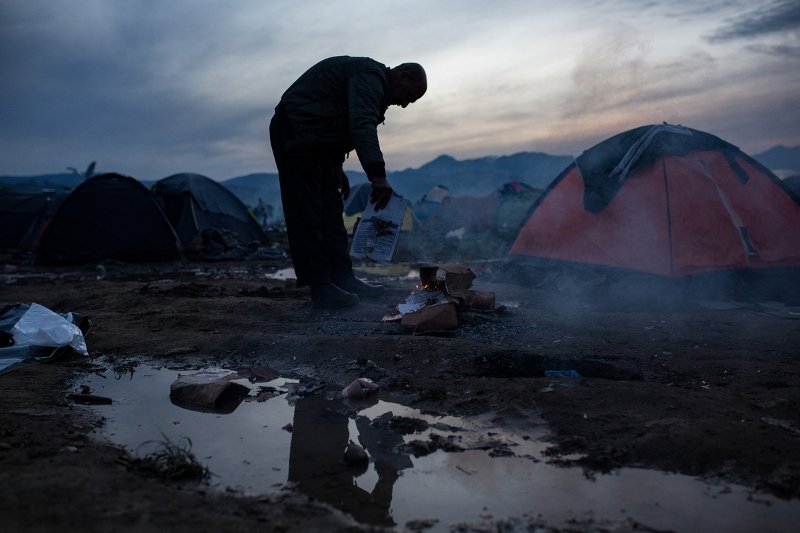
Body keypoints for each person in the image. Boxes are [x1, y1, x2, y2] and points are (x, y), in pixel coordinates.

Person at [269, 56, 427, 309]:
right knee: (308, 214)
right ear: (402, 76)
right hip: (295, 135)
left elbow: (334, 121)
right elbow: (361, 124)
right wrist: (377, 176)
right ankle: (321, 287)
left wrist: (336, 166)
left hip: (318, 144)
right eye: (410, 95)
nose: (406, 104)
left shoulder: (375, 85)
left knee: (331, 212)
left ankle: (343, 279)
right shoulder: (369, 77)